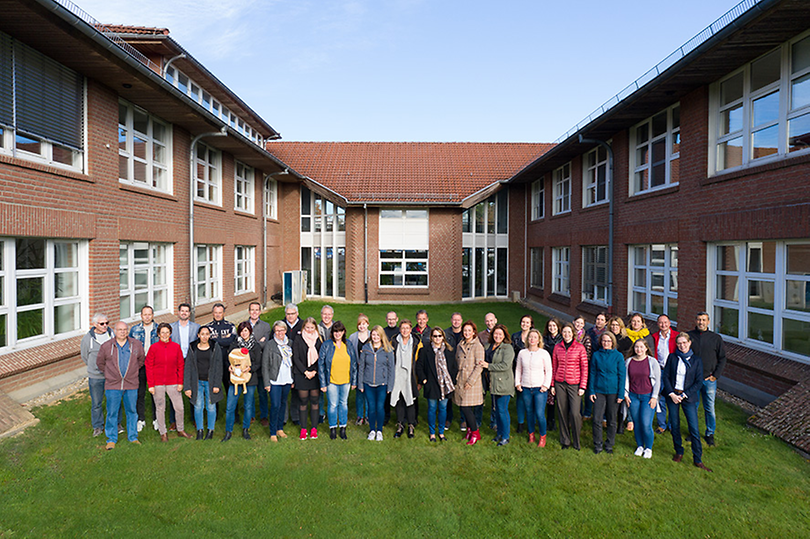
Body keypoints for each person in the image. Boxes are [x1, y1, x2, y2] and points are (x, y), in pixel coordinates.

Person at [663, 333, 712, 472]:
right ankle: (679, 451)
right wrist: (671, 393)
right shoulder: (672, 357)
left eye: (684, 343)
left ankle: (698, 459)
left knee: (694, 428)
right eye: (679, 343)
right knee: (675, 425)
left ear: (689, 343)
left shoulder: (696, 360)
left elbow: (698, 382)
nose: (682, 346)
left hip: (688, 397)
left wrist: (684, 395)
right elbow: (666, 376)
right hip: (673, 395)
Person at [96, 321, 146, 450]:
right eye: (120, 329)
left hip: (131, 384)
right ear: (115, 331)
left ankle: (133, 437)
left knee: (132, 411)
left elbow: (141, 360)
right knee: (112, 412)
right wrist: (110, 374)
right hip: (113, 385)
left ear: (127, 330)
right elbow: (100, 363)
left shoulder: (136, 345)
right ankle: (111, 439)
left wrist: (132, 372)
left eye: (125, 329)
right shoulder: (107, 346)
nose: (122, 332)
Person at [146, 322, 191, 441]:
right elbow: (149, 366)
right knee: (160, 408)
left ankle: (180, 429)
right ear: (158, 334)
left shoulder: (176, 347)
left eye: (167, 332)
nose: (165, 335)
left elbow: (181, 365)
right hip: (158, 383)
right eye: (162, 332)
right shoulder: (153, 348)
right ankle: (163, 433)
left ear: (170, 333)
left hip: (173, 382)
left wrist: (180, 382)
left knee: (179, 407)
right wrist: (151, 384)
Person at [688, 311, 727, 447]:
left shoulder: (716, 338)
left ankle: (710, 433)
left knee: (709, 408)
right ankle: (693, 432)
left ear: (708, 322)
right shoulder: (689, 336)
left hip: (708, 379)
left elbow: (722, 358)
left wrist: (716, 375)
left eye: (704, 320)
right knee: (693, 407)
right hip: (692, 380)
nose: (701, 322)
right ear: (695, 321)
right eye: (699, 320)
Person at [416, 328, 457, 442]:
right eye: (435, 336)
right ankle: (432, 433)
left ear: (443, 337)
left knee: (443, 409)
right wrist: (423, 380)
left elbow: (454, 367)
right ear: (431, 338)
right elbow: (419, 366)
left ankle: (441, 432)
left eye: (439, 336)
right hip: (431, 384)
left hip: (445, 385)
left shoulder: (449, 350)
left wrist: (452, 381)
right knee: (432, 409)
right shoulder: (425, 350)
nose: (437, 338)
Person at [551, 324, 588, 450]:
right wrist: (552, 385)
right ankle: (565, 440)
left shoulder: (580, 348)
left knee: (575, 413)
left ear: (573, 333)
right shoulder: (557, 347)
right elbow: (553, 366)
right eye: (564, 332)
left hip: (575, 384)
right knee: (562, 412)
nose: (566, 335)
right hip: (560, 383)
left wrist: (583, 386)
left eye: (569, 332)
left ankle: (576, 441)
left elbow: (584, 368)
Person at [318, 321, 358, 440]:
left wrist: (354, 381)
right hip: (331, 381)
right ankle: (333, 428)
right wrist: (323, 383)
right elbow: (321, 364)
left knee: (344, 404)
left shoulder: (349, 344)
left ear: (344, 332)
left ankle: (343, 428)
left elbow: (354, 364)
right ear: (332, 332)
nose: (337, 333)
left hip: (346, 380)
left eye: (340, 331)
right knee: (333, 405)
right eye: (335, 331)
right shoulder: (326, 345)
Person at [223, 321, 262, 442]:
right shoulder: (234, 344)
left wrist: (250, 368)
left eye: (246, 330)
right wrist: (229, 367)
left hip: (249, 379)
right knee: (230, 405)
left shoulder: (255, 346)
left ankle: (246, 429)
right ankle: (228, 431)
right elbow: (228, 360)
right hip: (235, 379)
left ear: (250, 331)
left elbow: (258, 363)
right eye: (241, 330)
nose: (244, 333)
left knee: (248, 405)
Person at [183, 326, 223, 440]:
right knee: (198, 406)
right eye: (202, 334)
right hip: (197, 382)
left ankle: (210, 430)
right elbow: (188, 367)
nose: (204, 336)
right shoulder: (193, 347)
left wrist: (216, 384)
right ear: (198, 335)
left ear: (209, 335)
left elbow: (219, 367)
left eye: (207, 334)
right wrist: (187, 387)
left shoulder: (215, 347)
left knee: (211, 407)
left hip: (210, 382)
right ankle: (199, 430)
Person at [588, 332, 625, 454]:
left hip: (613, 392)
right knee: (597, 419)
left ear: (612, 342)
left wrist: (621, 394)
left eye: (608, 341)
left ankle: (609, 444)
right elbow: (592, 373)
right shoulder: (596, 355)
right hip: (599, 391)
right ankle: (598, 444)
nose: (606, 343)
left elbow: (622, 375)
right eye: (604, 341)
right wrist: (591, 390)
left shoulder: (618, 356)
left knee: (611, 419)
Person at [625, 338, 661, 459]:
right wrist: (626, 394)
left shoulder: (652, 362)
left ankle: (648, 448)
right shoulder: (629, 361)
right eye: (636, 347)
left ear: (646, 348)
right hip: (633, 396)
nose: (639, 349)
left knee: (646, 423)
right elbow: (626, 379)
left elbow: (657, 381)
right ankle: (640, 446)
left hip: (648, 397)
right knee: (637, 422)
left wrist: (654, 397)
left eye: (641, 347)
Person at [515, 328, 552, 447]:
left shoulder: (543, 353)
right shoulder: (522, 353)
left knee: (540, 413)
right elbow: (518, 369)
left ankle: (542, 436)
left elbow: (549, 370)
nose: (532, 339)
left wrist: (546, 385)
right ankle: (531, 435)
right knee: (529, 413)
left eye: (535, 337)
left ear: (538, 340)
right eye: (530, 337)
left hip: (539, 389)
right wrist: (518, 383)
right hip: (525, 387)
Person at [80, 313, 115, 437]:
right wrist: (94, 368)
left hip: (111, 375)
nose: (105, 326)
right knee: (96, 403)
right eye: (102, 324)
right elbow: (85, 356)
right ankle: (98, 426)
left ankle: (116, 424)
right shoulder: (87, 339)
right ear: (94, 324)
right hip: (95, 377)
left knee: (114, 401)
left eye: (107, 323)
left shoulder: (112, 335)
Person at [357, 325, 395, 441]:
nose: (375, 337)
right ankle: (372, 430)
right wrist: (360, 384)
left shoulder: (387, 349)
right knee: (372, 407)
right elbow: (361, 367)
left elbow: (391, 369)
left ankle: (379, 431)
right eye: (373, 335)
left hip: (382, 384)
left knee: (380, 407)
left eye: (378, 335)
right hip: (368, 383)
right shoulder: (366, 348)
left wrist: (390, 385)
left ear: (381, 336)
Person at [481, 324, 515, 446]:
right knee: (497, 410)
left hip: (504, 383)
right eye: (496, 333)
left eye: (500, 334)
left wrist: (488, 366)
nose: (497, 336)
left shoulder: (507, 348)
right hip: (493, 383)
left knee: (502, 410)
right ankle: (499, 434)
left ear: (504, 335)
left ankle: (505, 436)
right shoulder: (489, 346)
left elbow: (505, 365)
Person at [129, 305, 159, 433]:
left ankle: (156, 418)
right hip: (139, 365)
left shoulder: (159, 329)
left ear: (153, 315)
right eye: (144, 314)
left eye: (149, 314)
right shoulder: (134, 329)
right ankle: (140, 419)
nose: (147, 317)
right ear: (141, 316)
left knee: (156, 393)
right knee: (140, 393)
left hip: (155, 365)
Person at [169, 303, 199, 431]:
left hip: (191, 360)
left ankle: (194, 418)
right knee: (174, 389)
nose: (184, 313)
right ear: (178, 312)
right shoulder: (171, 327)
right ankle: (173, 420)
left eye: (187, 311)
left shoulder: (196, 327)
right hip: (175, 360)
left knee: (192, 388)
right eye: (182, 311)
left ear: (189, 313)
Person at [263, 321, 294, 442]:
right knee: (275, 405)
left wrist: (293, 379)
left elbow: (294, 362)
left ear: (285, 330)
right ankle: (272, 431)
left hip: (287, 379)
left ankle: (280, 428)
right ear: (274, 332)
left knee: (283, 404)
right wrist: (266, 383)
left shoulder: (290, 343)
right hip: (274, 380)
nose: (280, 333)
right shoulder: (270, 345)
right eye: (277, 331)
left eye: (282, 330)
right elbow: (265, 365)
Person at [455, 320, 485, 445]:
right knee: (463, 407)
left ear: (474, 332)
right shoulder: (460, 344)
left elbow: (479, 366)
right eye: (465, 330)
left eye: (469, 330)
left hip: (472, 382)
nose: (467, 333)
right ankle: (469, 430)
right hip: (461, 379)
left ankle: (475, 433)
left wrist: (470, 381)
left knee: (466, 408)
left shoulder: (478, 346)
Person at [390, 319, 421, 439]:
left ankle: (411, 425)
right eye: (403, 328)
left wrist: (419, 379)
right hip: (397, 374)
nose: (405, 330)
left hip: (410, 376)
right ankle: (400, 424)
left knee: (410, 400)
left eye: (407, 328)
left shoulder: (416, 342)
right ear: (399, 329)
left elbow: (419, 362)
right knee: (399, 400)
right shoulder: (394, 341)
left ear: (410, 329)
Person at [293, 317, 322, 440]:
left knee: (315, 401)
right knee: (303, 402)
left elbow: (321, 357)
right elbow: (296, 358)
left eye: (312, 328)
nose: (309, 330)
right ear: (303, 327)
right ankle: (304, 429)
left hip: (315, 374)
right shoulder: (298, 338)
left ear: (315, 328)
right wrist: (305, 371)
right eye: (307, 327)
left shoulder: (319, 339)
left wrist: (314, 371)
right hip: (301, 374)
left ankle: (314, 428)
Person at [207, 303, 236, 413]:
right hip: (213, 363)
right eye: (216, 313)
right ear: (212, 313)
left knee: (231, 387)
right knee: (214, 388)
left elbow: (231, 340)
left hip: (228, 362)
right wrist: (224, 340)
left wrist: (217, 341)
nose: (218, 315)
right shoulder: (207, 327)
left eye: (220, 312)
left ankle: (234, 413)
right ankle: (215, 413)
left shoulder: (230, 326)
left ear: (224, 313)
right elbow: (208, 343)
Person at [651, 314, 678, 433]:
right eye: (661, 323)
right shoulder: (654, 337)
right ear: (658, 324)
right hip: (660, 370)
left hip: (673, 371)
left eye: (665, 322)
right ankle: (662, 424)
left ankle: (673, 424)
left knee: (672, 397)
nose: (663, 325)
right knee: (660, 397)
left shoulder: (677, 336)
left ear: (670, 323)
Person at [246, 302, 271, 427]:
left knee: (262, 392)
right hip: (247, 363)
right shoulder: (243, 325)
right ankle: (249, 415)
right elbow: (242, 344)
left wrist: (251, 343)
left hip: (261, 363)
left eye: (257, 310)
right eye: (252, 310)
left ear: (260, 312)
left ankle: (264, 416)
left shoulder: (266, 326)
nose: (254, 312)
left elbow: (265, 344)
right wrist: (258, 342)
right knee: (249, 392)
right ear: (249, 311)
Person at [607, 315, 633, 433]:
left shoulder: (626, 340)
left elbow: (630, 355)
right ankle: (610, 421)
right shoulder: (606, 338)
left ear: (621, 327)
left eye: (617, 325)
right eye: (612, 325)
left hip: (622, 370)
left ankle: (621, 423)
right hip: (609, 371)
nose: (614, 327)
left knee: (621, 397)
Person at [348, 314, 371, 426]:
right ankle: (359, 416)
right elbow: (350, 353)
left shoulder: (372, 335)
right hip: (357, 369)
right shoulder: (353, 337)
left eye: (364, 324)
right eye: (359, 324)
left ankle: (367, 416)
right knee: (359, 394)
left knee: (368, 393)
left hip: (369, 368)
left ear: (367, 324)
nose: (362, 326)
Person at [511, 315, 533, 434]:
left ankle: (531, 422)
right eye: (523, 322)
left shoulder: (534, 336)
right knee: (520, 398)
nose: (525, 324)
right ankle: (520, 422)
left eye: (527, 322)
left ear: (531, 324)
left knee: (530, 399)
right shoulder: (515, 336)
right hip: (518, 369)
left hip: (532, 372)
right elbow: (512, 353)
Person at [283, 303, 303, 426]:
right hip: (283, 364)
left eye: (292, 314)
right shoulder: (280, 325)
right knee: (284, 391)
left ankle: (296, 416)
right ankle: (284, 417)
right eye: (288, 314)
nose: (290, 316)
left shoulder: (303, 325)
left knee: (296, 392)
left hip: (298, 362)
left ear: (297, 314)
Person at [477, 312, 498, 430]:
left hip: (496, 373)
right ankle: (477, 421)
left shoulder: (501, 334)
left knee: (495, 399)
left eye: (491, 320)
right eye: (487, 321)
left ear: (495, 320)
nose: (489, 323)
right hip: (483, 372)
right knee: (481, 398)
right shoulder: (481, 336)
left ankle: (494, 422)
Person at [543, 318, 563, 431]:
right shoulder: (545, 339)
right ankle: (550, 420)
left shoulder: (561, 340)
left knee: (559, 398)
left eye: (554, 326)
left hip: (559, 370)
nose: (552, 328)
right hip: (547, 370)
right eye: (550, 326)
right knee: (550, 398)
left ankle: (560, 420)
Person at [573, 315, 593, 420]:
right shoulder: (569, 334)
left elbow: (587, 354)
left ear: (584, 325)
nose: (579, 325)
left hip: (581, 368)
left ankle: (581, 414)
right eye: (577, 322)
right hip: (570, 368)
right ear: (573, 322)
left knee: (579, 391)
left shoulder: (586, 337)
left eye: (581, 323)